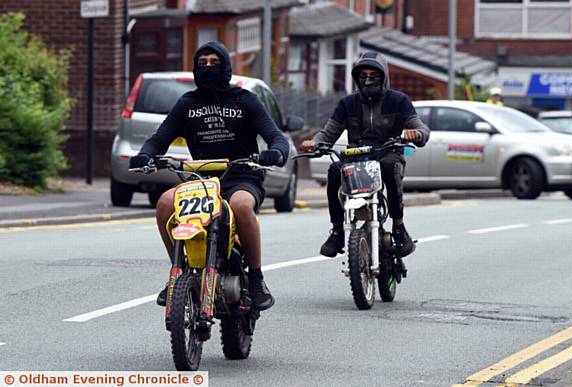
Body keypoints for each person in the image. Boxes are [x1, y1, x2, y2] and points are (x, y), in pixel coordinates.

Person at [129, 41, 289, 311]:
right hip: (201, 181)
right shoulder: (187, 103)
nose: (208, 67)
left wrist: (275, 152)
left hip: (241, 177)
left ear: (226, 66)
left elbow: (276, 137)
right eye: (202, 63)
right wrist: (145, 155)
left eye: (215, 63)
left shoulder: (245, 99)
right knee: (166, 204)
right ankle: (178, 271)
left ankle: (256, 278)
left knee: (240, 206)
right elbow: (159, 139)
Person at [300, 52, 429, 258]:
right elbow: (328, 133)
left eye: (373, 75)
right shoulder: (347, 104)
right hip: (356, 156)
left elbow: (420, 128)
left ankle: (399, 227)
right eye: (363, 75)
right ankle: (337, 231)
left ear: (384, 77)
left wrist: (417, 134)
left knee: (389, 167)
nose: (368, 80)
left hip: (388, 153)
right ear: (356, 78)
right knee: (334, 171)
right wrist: (314, 143)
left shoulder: (399, 101)